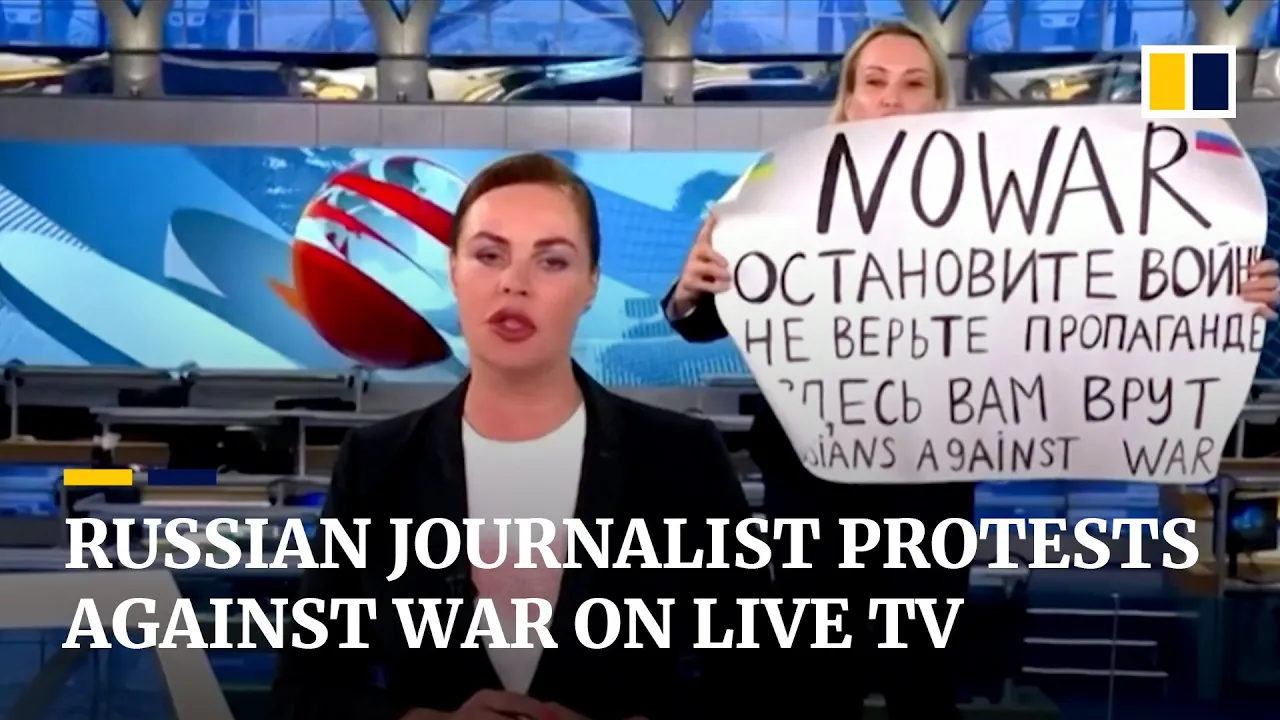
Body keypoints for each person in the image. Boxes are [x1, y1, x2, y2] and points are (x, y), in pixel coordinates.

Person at [663, 20, 1280, 719]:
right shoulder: (775, 196)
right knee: (815, 687)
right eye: (874, 82)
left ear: (937, 101)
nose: (891, 99)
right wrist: (688, 290)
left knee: (922, 687)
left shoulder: (993, 209)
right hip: (812, 496)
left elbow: (1101, 276)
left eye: (912, 83)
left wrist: (1218, 290)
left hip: (930, 495)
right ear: (848, 99)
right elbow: (702, 319)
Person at [272, 153, 772, 720]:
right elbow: (303, 691)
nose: (515, 283)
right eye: (489, 256)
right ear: (453, 271)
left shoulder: (682, 459)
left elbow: (757, 685)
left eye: (552, 261)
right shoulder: (377, 465)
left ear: (590, 284)